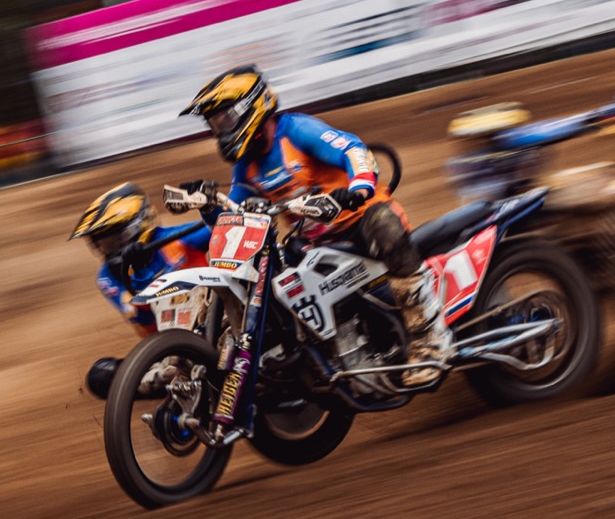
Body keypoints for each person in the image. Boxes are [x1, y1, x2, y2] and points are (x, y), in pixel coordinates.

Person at [180, 65, 453, 389]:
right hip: (316, 242)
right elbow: (235, 214)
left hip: (361, 221)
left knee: (384, 225)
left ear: (251, 107)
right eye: (214, 123)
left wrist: (359, 188)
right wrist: (209, 207)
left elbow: (352, 148)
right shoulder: (247, 164)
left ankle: (430, 340)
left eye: (224, 118)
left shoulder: (296, 131)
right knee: (274, 275)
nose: (220, 129)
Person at [69, 182, 212, 400]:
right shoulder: (106, 276)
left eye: (118, 238)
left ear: (141, 224)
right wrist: (140, 272)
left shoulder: (181, 239)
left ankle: (172, 379)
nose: (111, 249)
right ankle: (170, 380)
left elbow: (226, 227)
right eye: (104, 243)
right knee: (99, 376)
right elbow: (142, 316)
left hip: (213, 326)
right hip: (164, 349)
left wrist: (209, 208)